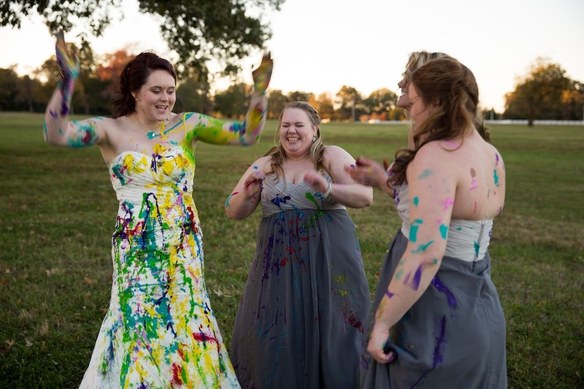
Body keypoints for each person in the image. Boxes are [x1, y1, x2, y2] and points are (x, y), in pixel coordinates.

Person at [43, 31, 273, 388]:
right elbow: (57, 134)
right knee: (137, 320)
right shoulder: (110, 130)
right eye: (157, 90)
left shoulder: (188, 125)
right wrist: (69, 80)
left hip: (183, 245)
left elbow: (247, 134)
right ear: (135, 92)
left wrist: (259, 91)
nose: (166, 98)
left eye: (171, 90)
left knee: (187, 316)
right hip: (136, 249)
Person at [348, 57, 507, 388]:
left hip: (436, 305)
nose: (410, 108)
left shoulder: (436, 157)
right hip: (480, 300)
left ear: (436, 102)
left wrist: (383, 323)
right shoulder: (491, 154)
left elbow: (427, 253)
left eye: (416, 100)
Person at [224, 101, 373, 388]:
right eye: (285, 125)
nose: (291, 131)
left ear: (315, 130)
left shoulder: (331, 156)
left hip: (326, 258)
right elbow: (233, 210)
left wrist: (329, 188)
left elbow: (364, 196)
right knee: (277, 328)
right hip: (277, 261)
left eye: (299, 125)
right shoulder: (265, 164)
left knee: (332, 326)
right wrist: (247, 194)